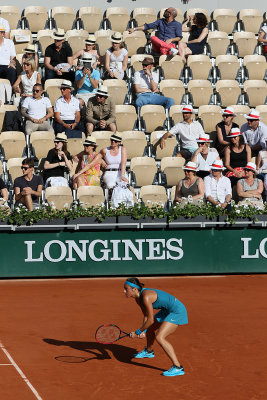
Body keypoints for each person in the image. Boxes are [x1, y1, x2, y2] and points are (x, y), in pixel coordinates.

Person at [124, 277, 188, 377]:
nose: (124, 291)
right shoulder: (138, 298)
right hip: (166, 310)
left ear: (134, 289)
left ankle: (178, 367)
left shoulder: (145, 297)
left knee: (160, 337)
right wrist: (143, 331)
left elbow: (150, 320)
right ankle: (149, 351)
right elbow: (146, 316)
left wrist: (137, 332)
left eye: (126, 288)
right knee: (150, 329)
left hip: (176, 311)